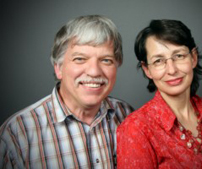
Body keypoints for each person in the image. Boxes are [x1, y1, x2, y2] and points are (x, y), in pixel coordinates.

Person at [0, 15, 134, 169]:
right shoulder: (18, 133)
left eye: (106, 60)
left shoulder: (127, 116)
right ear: (58, 68)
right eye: (80, 59)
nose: (94, 71)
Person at [117, 19, 202, 168]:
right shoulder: (135, 129)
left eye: (179, 56)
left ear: (193, 58)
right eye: (158, 61)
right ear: (147, 69)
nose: (172, 70)